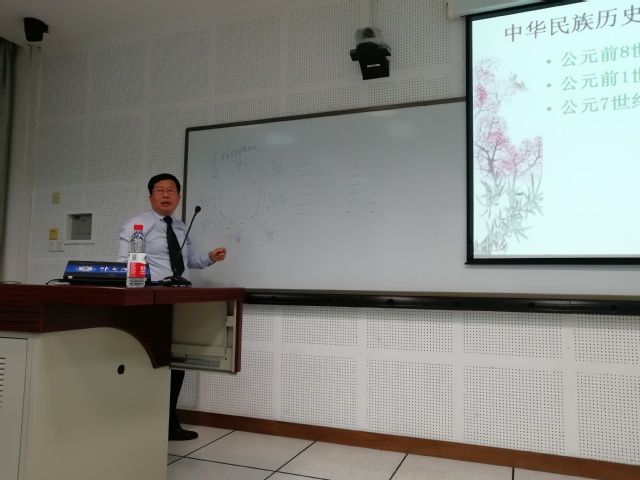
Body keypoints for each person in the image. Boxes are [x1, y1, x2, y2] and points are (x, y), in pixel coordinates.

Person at [118, 173, 227, 441]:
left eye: (171, 190)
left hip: (178, 299)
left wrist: (209, 258)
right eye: (160, 190)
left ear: (178, 197)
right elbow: (124, 263)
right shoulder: (137, 225)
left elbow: (186, 261)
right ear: (150, 197)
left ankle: (169, 423)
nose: (166, 195)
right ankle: (142, 421)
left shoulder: (180, 227)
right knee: (150, 360)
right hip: (150, 300)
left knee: (176, 360)